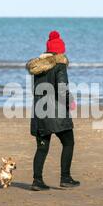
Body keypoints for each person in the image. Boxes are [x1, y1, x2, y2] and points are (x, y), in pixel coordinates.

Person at [25, 31, 80, 191]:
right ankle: (65, 178)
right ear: (60, 51)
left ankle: (37, 181)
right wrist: (70, 102)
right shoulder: (60, 65)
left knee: (42, 147)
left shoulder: (38, 68)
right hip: (56, 113)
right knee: (68, 142)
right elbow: (62, 89)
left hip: (39, 113)